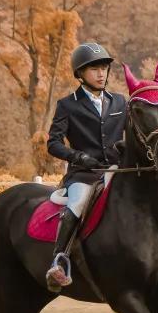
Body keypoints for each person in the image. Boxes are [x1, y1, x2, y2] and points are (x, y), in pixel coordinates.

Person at [45, 42, 126, 292]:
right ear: (80, 74)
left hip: (117, 170)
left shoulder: (120, 102)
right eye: (94, 69)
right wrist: (79, 157)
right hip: (83, 174)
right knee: (78, 204)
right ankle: (60, 260)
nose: (101, 74)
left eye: (103, 68)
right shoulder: (67, 105)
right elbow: (53, 144)